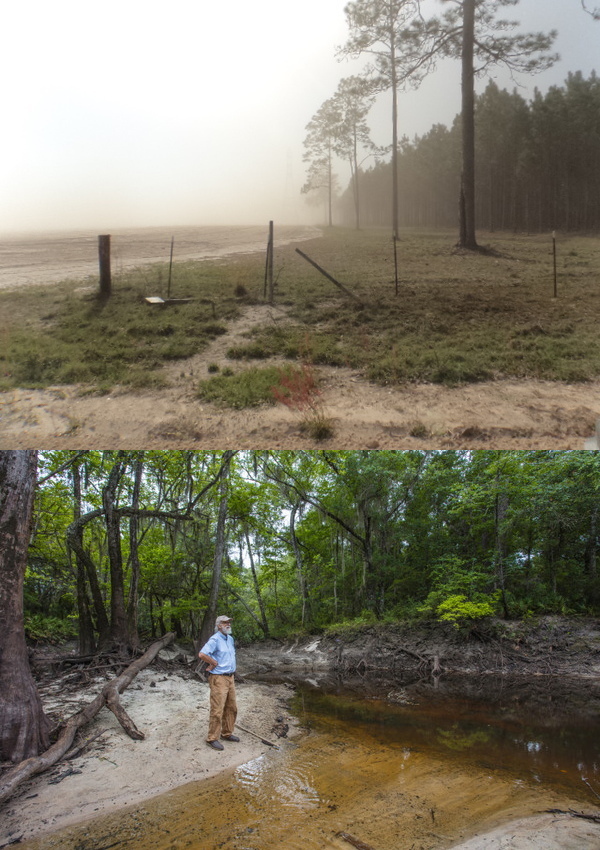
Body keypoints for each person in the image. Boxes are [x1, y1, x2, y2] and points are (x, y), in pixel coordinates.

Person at [198, 615, 239, 750]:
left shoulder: (230, 639)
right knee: (217, 709)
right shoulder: (215, 639)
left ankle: (227, 733)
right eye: (225, 622)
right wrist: (213, 662)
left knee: (231, 707)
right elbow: (202, 654)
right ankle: (212, 738)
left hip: (230, 677)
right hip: (218, 678)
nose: (228, 624)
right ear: (219, 625)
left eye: (229, 622)